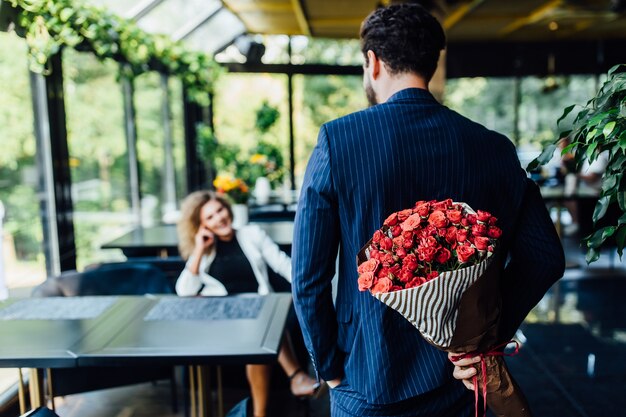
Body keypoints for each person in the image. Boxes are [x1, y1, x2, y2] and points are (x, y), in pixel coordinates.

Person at [291, 4, 565, 416]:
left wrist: (328, 369)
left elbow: (309, 277)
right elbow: (544, 257)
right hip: (460, 377)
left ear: (373, 62)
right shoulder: (492, 147)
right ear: (432, 63)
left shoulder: (338, 141)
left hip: (366, 377)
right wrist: (483, 339)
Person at [175, 190, 320, 417]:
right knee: (263, 323)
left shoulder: (251, 234)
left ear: (228, 208)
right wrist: (200, 249)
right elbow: (184, 291)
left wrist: (306, 287)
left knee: (264, 321)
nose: (219, 218)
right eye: (210, 217)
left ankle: (261, 412)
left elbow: (284, 265)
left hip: (259, 312)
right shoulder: (203, 252)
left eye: (220, 210)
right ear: (201, 225)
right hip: (223, 319)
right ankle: (296, 377)